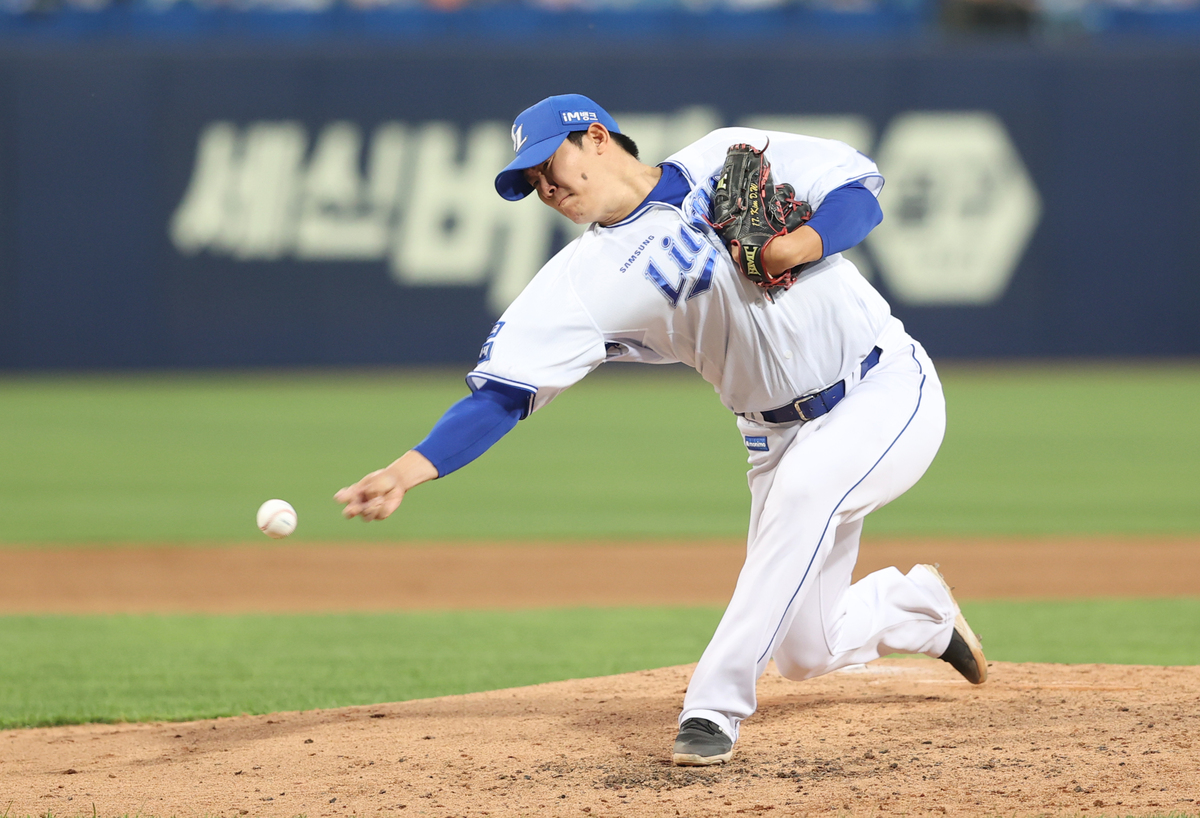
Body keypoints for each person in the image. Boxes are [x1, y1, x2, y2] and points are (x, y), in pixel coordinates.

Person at [335, 93, 988, 767]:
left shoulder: (726, 154)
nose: (545, 187)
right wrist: (408, 469)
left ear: (594, 136)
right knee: (806, 648)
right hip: (775, 436)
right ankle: (917, 608)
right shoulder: (581, 285)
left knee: (807, 497)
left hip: (885, 384)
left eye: (546, 163)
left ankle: (713, 706)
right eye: (529, 183)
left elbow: (857, 193)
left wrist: (798, 243)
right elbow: (502, 395)